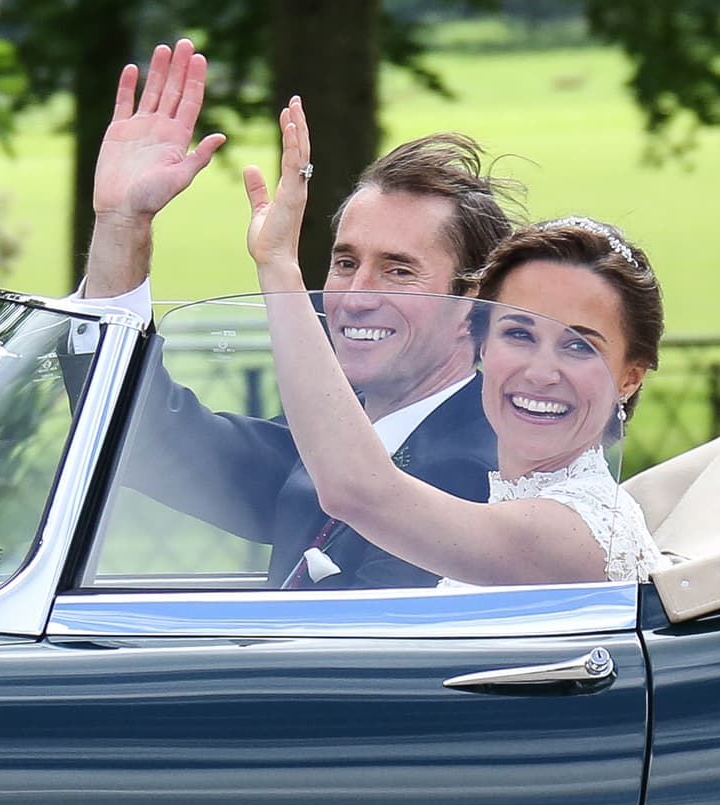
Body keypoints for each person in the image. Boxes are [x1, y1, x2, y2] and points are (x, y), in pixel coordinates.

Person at [77, 40, 517, 589]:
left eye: (399, 271)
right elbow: (149, 439)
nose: (356, 296)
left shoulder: (481, 466)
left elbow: (360, 657)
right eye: (345, 262)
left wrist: (277, 270)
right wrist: (122, 224)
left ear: (471, 304)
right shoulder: (335, 432)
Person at [246, 98, 668, 585]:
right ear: (481, 341)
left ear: (630, 377)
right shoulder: (499, 500)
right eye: (518, 334)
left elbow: (358, 492)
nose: (540, 372)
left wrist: (279, 267)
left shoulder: (578, 531)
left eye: (579, 346)